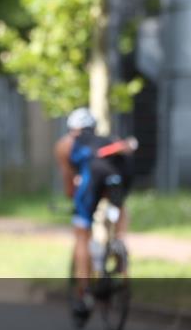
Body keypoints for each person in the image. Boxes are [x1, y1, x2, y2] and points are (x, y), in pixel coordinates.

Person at [54, 107, 135, 319]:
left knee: (82, 233)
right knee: (119, 209)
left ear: (72, 129)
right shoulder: (109, 139)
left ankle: (83, 291)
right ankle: (118, 244)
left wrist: (75, 201)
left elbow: (69, 182)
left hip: (94, 176)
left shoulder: (65, 144)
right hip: (120, 175)